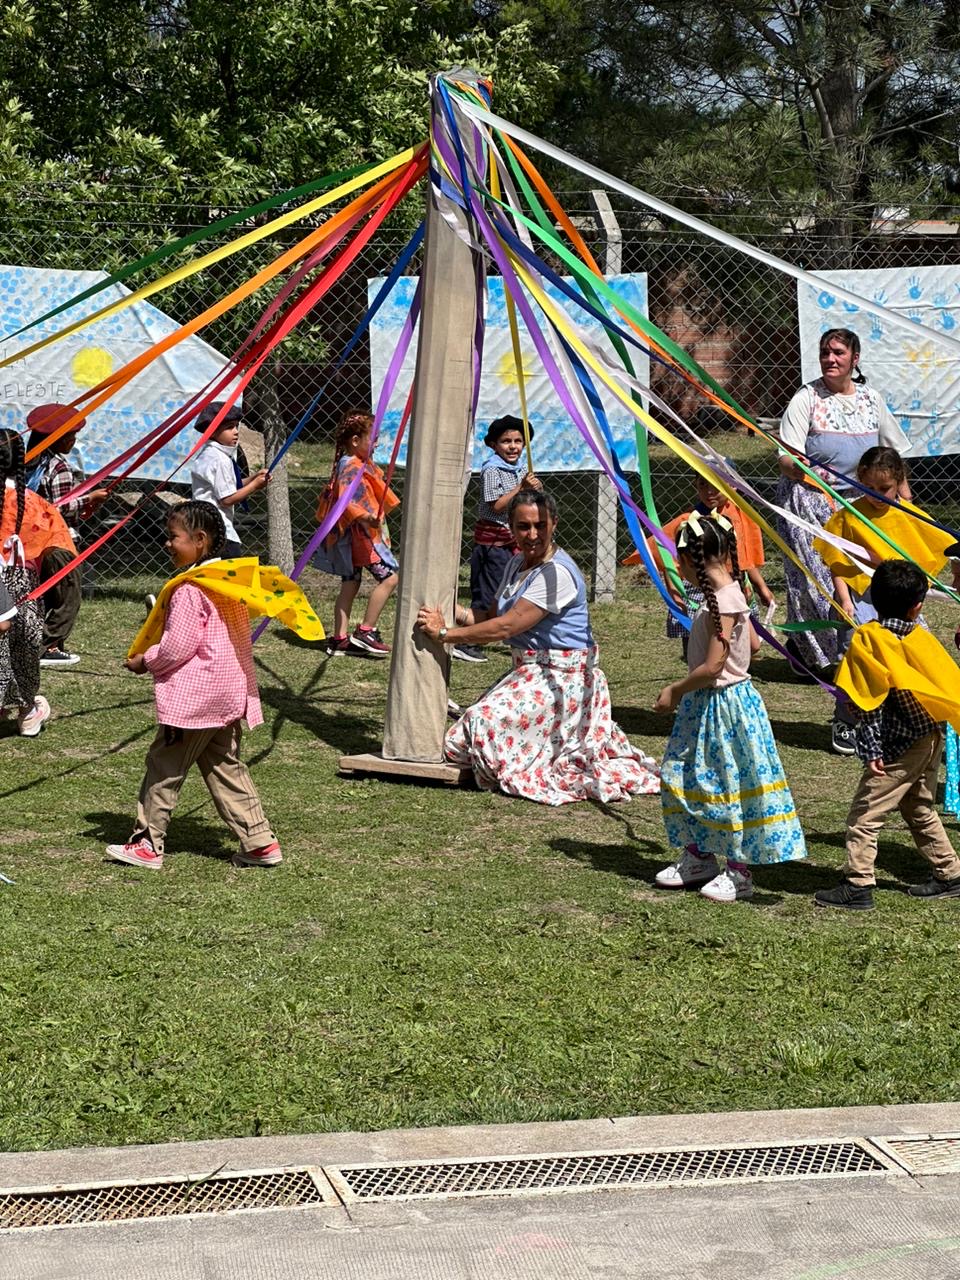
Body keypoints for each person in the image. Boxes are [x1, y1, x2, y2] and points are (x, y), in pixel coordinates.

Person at [108, 499, 323, 871]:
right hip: (226, 696)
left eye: (173, 537)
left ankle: (147, 843)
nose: (167, 544)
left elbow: (179, 646)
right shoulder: (229, 583)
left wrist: (147, 661)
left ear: (200, 540)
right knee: (225, 765)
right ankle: (258, 842)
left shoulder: (191, 589)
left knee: (165, 764)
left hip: (196, 702)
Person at [416, 488, 659, 805]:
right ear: (511, 528)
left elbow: (506, 627)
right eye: (523, 526)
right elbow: (491, 615)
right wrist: (453, 612)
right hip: (529, 673)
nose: (532, 535)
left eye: (539, 526)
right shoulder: (515, 563)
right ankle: (537, 751)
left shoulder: (556, 573)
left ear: (554, 524)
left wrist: (444, 633)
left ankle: (545, 756)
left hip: (562, 681)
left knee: (480, 726)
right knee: (461, 740)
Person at [653, 512, 806, 902]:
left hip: (720, 706)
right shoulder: (734, 594)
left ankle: (738, 871)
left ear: (689, 561)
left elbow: (714, 666)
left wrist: (674, 689)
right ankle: (699, 856)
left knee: (726, 784)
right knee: (691, 776)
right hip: (720, 705)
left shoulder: (721, 603)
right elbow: (753, 647)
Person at [777, 328, 910, 754]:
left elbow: (893, 457)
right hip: (815, 508)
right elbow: (786, 456)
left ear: (855, 357)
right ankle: (834, 676)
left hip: (865, 510)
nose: (830, 359)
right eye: (824, 353)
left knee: (875, 592)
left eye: (838, 352)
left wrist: (906, 507)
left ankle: (861, 673)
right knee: (826, 592)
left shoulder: (872, 400)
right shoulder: (806, 399)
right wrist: (811, 476)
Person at [814, 560, 960, 910]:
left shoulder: (870, 641)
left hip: (898, 745)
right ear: (918, 606)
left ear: (874, 598)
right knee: (917, 805)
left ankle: (858, 883)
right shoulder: (921, 637)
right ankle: (951, 873)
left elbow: (870, 702)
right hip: (931, 736)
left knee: (865, 815)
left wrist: (872, 749)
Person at [625, 469, 774, 658]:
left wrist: (761, 587)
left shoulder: (738, 518)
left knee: (738, 644)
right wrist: (675, 593)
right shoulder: (689, 524)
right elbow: (668, 556)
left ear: (731, 485)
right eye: (702, 485)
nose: (709, 491)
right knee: (698, 648)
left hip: (734, 589)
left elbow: (744, 557)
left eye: (715, 485)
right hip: (697, 594)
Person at [0, 429, 74, 735]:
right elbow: (59, 546)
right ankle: (28, 711)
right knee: (22, 646)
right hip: (22, 589)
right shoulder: (32, 504)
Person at [25, 402, 109, 667]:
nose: (73, 442)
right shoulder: (59, 467)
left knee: (48, 593)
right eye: (70, 437)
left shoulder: (30, 464)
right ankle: (46, 646)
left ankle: (39, 642)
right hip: (58, 542)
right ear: (57, 439)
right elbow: (59, 509)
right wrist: (89, 498)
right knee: (69, 593)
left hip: (33, 542)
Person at [313, 410, 399, 658]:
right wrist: (367, 518)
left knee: (350, 583)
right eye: (372, 438)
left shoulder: (350, 463)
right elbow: (348, 501)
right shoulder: (351, 467)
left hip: (346, 537)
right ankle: (365, 631)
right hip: (360, 534)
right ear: (355, 440)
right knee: (390, 578)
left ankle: (339, 639)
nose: (376, 444)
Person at [456, 415, 542, 664]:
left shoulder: (521, 470)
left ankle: (513, 634)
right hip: (493, 546)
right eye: (506, 441)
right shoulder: (492, 469)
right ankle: (466, 640)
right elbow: (496, 506)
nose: (513, 446)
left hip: (513, 544)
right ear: (494, 444)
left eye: (518, 441)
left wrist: (534, 490)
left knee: (512, 592)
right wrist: (521, 489)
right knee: (488, 596)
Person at [189, 401, 269, 557]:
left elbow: (230, 485)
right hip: (220, 533)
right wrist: (254, 486)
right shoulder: (220, 459)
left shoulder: (210, 454)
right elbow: (226, 498)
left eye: (236, 426)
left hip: (204, 529)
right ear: (212, 431)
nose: (236, 432)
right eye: (229, 427)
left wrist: (253, 478)